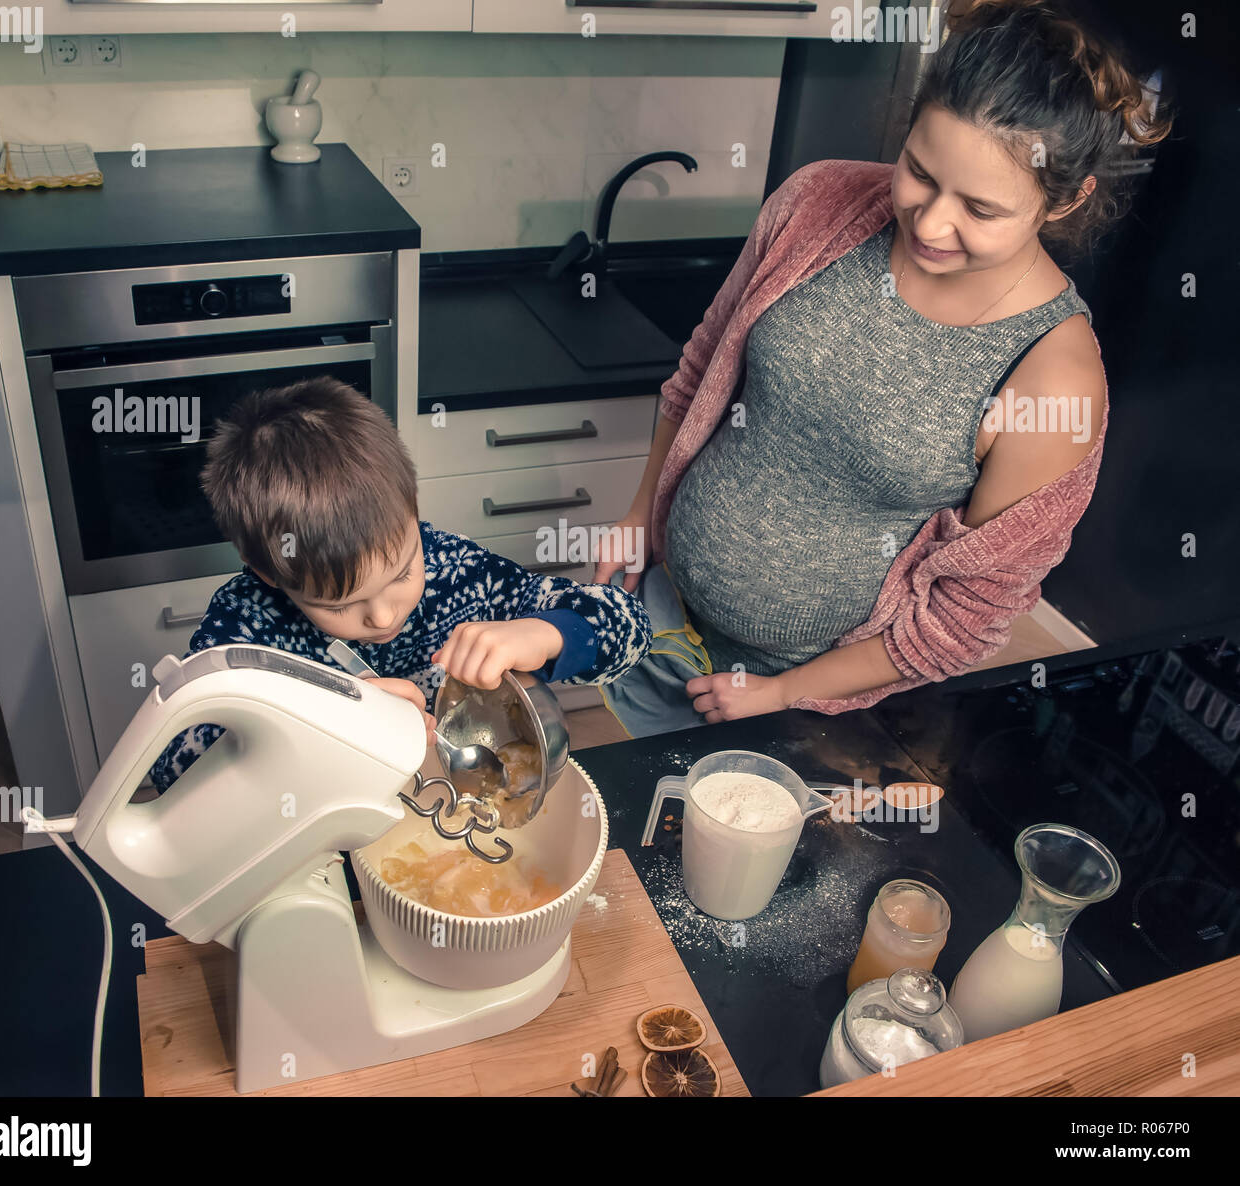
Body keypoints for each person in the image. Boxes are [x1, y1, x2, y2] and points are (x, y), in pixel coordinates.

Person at [593, 0, 1171, 737]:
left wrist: (783, 693)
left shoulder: (1053, 380)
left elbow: (963, 618)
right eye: (920, 173)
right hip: (663, 605)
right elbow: (702, 365)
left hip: (795, 699)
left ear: (1066, 201)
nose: (930, 223)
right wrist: (640, 515)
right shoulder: (818, 202)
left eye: (981, 209)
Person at [147, 376, 650, 792]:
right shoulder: (247, 625)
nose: (383, 616)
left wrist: (547, 633)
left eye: (403, 574)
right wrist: (320, 718)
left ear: (413, 512)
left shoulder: (455, 570)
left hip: (445, 807)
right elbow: (172, 767)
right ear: (270, 574)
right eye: (340, 604)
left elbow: (632, 627)